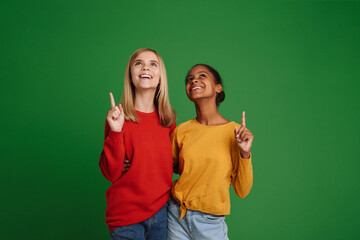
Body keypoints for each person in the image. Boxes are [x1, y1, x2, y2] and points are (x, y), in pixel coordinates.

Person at [167, 64, 254, 240]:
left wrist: (245, 153)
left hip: (210, 221)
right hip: (176, 214)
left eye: (202, 76)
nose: (194, 81)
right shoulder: (182, 130)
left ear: (218, 87)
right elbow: (166, 167)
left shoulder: (236, 133)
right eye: (189, 79)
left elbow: (242, 190)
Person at [99, 48, 176, 240]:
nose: (145, 68)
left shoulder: (168, 120)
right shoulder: (118, 117)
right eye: (138, 63)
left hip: (161, 214)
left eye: (153, 64)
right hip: (127, 218)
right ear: (131, 76)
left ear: (160, 78)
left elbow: (174, 164)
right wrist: (116, 132)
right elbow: (111, 173)